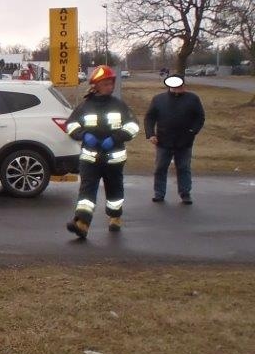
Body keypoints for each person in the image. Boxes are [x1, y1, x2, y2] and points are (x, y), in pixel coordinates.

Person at [65, 66, 140, 239]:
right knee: (86, 192)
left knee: (114, 190)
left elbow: (133, 126)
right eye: (105, 83)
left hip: (113, 158)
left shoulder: (119, 105)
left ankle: (115, 217)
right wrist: (83, 135)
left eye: (111, 83)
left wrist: (116, 138)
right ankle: (82, 223)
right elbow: (71, 125)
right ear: (96, 85)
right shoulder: (84, 106)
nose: (110, 86)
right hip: (90, 157)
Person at [145, 74, 205, 204]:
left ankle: (185, 193)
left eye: (181, 86)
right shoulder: (158, 100)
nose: (178, 88)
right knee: (160, 168)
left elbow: (200, 117)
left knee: (184, 167)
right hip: (163, 141)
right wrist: (151, 134)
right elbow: (149, 118)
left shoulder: (193, 99)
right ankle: (159, 193)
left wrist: (192, 131)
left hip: (185, 141)